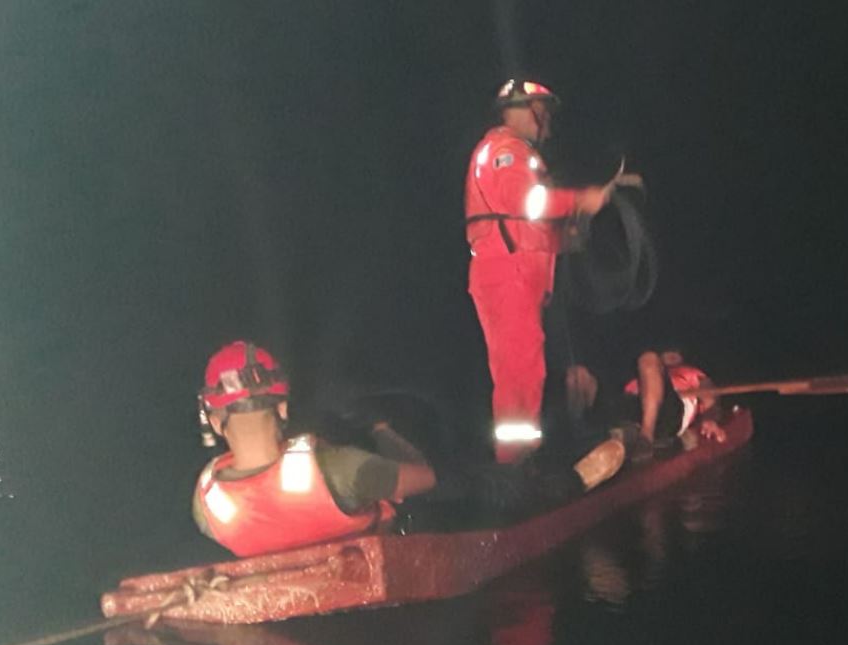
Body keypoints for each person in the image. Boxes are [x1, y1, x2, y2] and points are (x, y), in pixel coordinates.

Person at [464, 79, 618, 464]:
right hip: (509, 274)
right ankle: (514, 470)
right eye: (543, 110)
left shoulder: (514, 153)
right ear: (525, 107)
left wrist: (565, 240)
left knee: (524, 372)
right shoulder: (506, 150)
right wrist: (581, 199)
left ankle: (519, 464)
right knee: (519, 374)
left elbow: (524, 224)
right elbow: (527, 202)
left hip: (517, 274)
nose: (547, 119)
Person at [191, 341, 437, 557]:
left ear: (215, 423)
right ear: (282, 408)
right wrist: (379, 427)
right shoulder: (341, 471)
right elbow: (429, 477)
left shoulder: (206, 504)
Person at [567, 347, 727, 464]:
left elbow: (712, 403)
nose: (671, 355)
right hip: (634, 406)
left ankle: (645, 439)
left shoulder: (691, 373)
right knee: (578, 374)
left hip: (668, 416)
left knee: (648, 359)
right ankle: (577, 438)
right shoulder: (641, 370)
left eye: (675, 351)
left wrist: (709, 419)